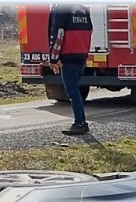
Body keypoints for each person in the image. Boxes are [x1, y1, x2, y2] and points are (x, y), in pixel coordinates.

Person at [49, 4, 93, 136]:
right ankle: (82, 122)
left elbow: (58, 35)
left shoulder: (61, 9)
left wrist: (53, 59)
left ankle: (79, 123)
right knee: (76, 91)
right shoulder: (84, 10)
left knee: (73, 92)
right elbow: (90, 31)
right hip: (81, 57)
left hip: (67, 58)